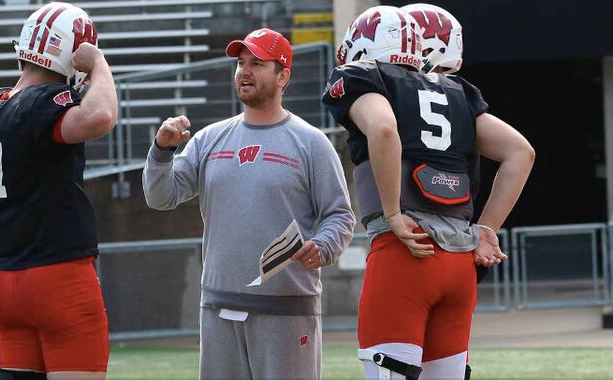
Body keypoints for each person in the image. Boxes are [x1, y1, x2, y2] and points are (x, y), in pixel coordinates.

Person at [322, 5, 535, 379]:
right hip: (459, 263)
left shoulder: (361, 77)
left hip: (405, 252)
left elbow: (384, 129)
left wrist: (391, 213)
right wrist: (487, 228)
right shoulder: (459, 92)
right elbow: (521, 151)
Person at [143, 28, 356, 379]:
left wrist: (323, 245)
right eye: (241, 63)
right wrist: (162, 151)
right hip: (218, 306)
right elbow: (161, 197)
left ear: (283, 75)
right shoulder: (209, 139)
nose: (245, 71)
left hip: (286, 309)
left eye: (257, 63)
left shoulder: (311, 143)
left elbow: (340, 215)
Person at [0, 3, 116, 379]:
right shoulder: (41, 103)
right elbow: (100, 116)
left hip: (9, 278)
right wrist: (98, 64)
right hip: (61, 279)